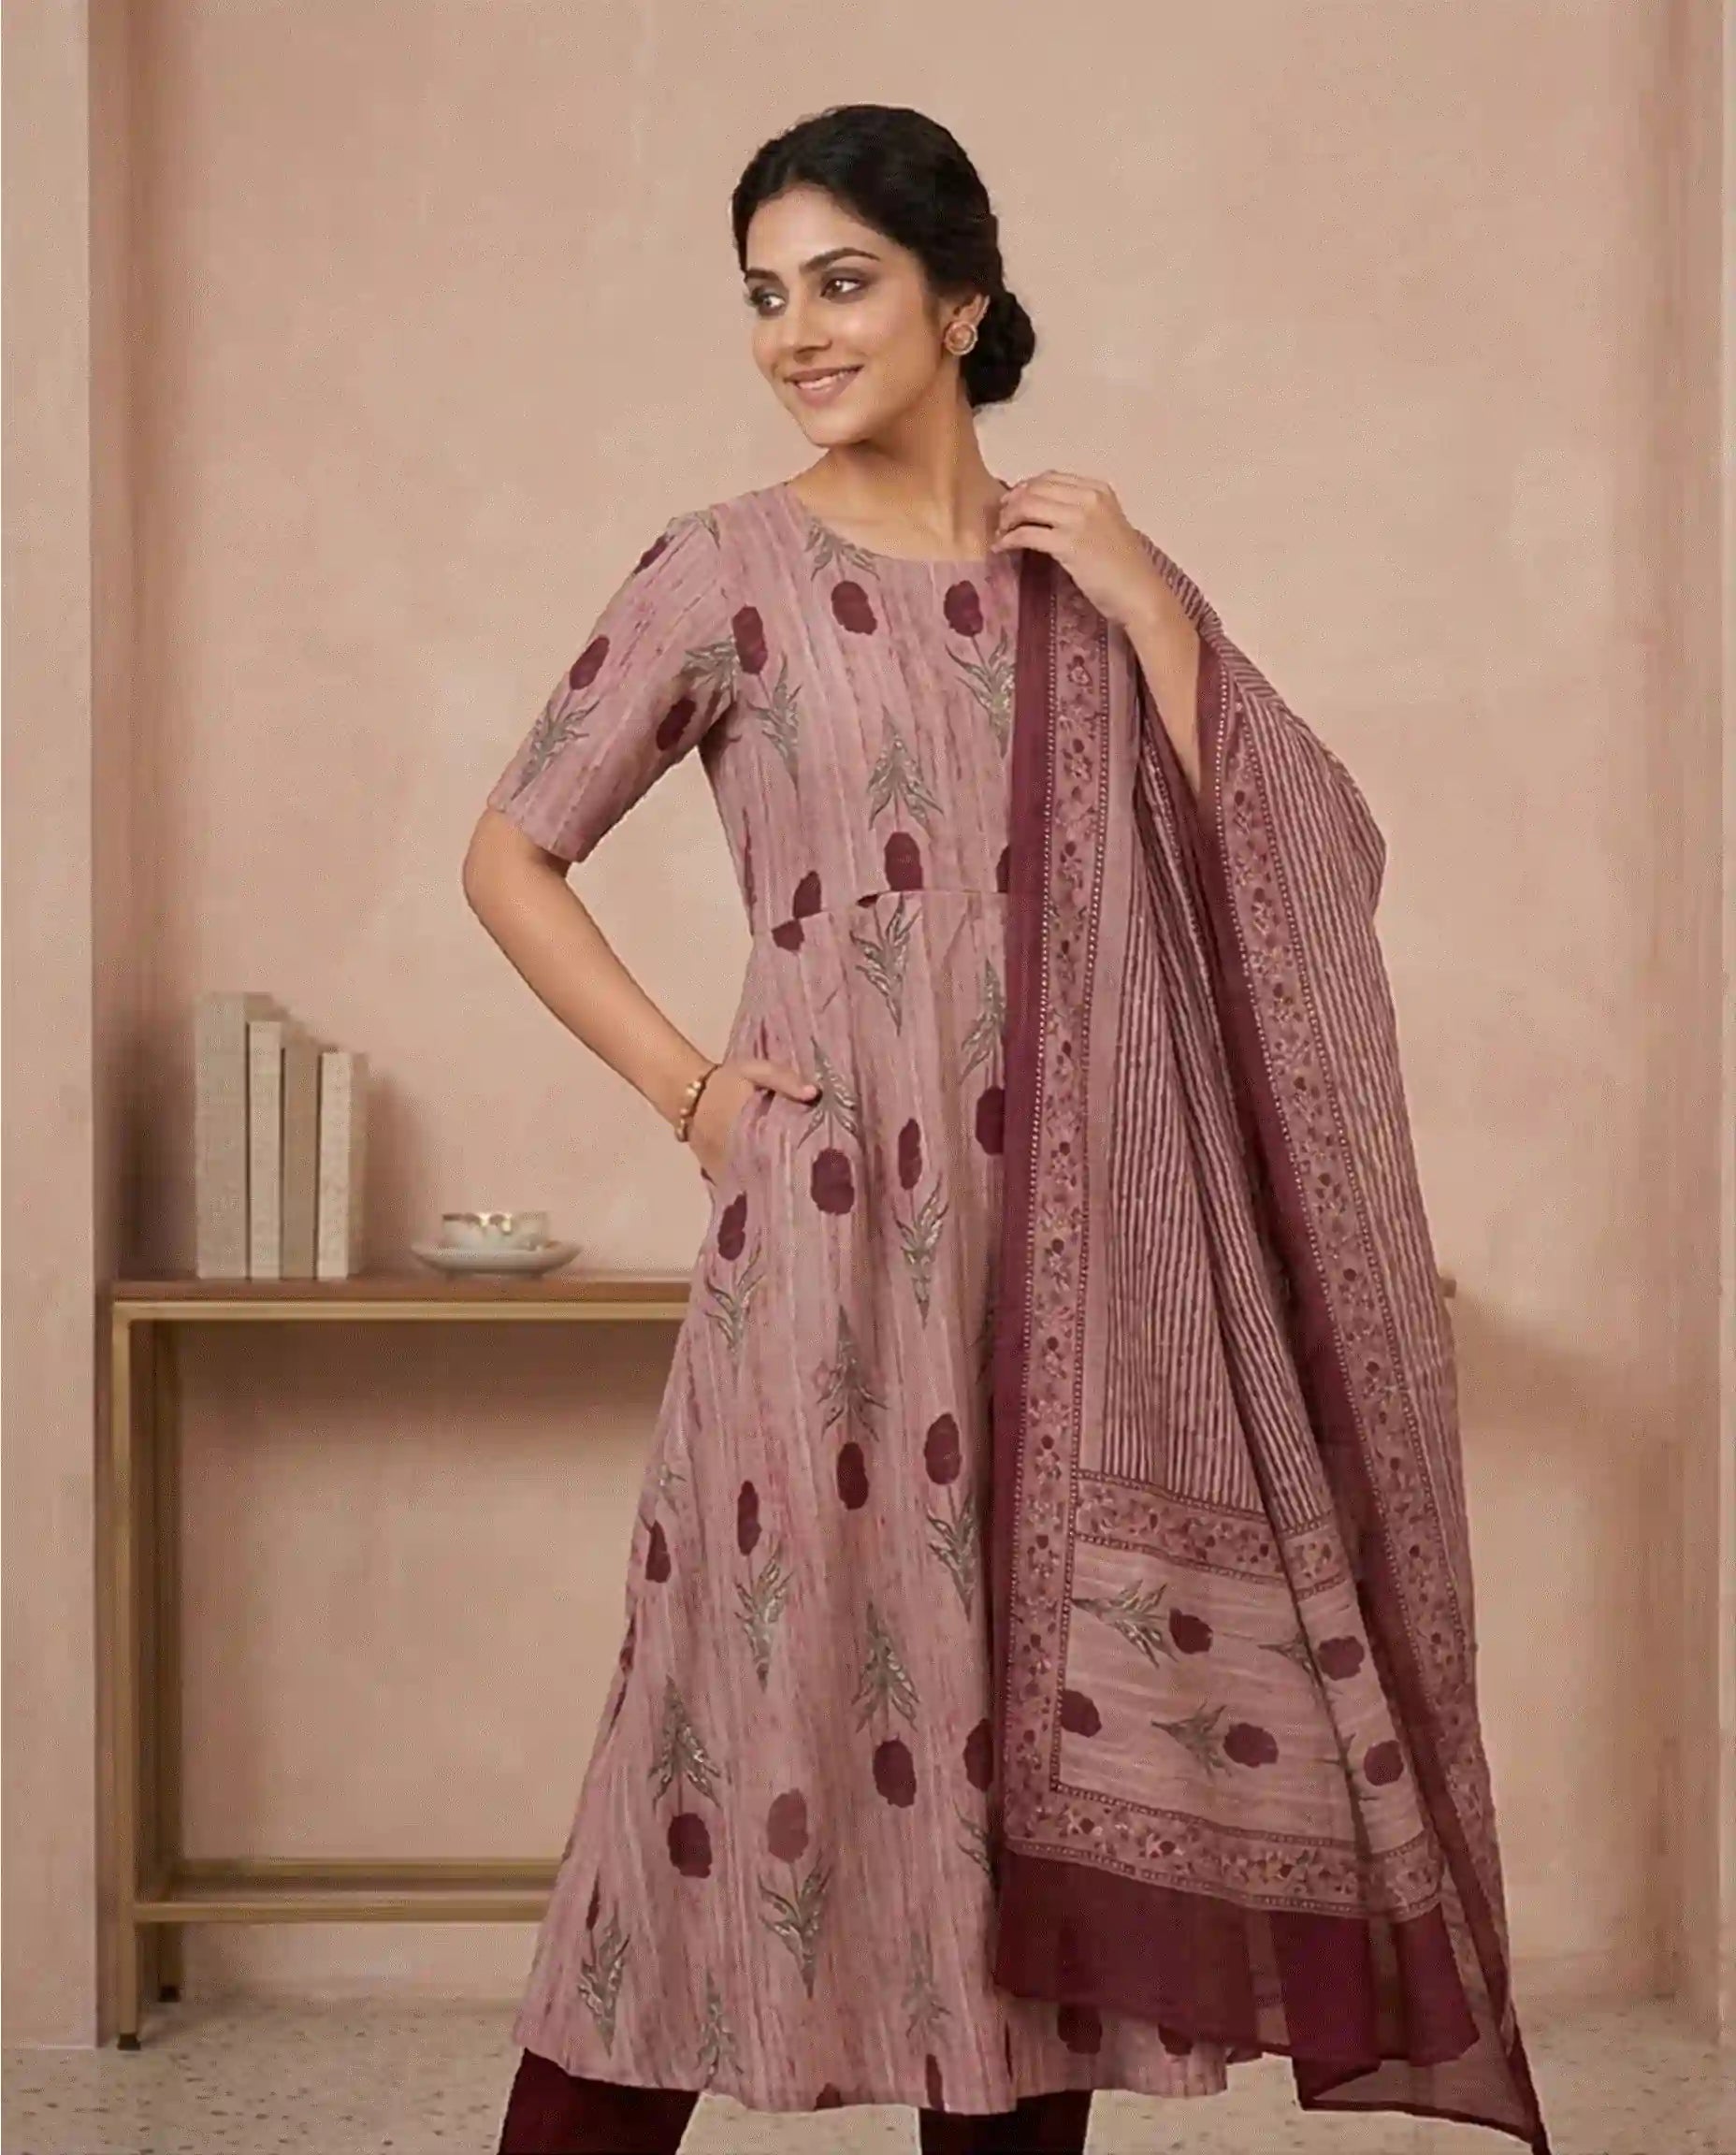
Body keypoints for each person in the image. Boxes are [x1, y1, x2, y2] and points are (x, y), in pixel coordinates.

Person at [466, 100, 1551, 2155]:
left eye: (843, 282)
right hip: (824, 1254)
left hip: (1082, 1291)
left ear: (962, 303)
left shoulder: (1092, 577)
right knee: (708, 1752)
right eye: (766, 296)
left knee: (1022, 1805)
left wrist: (1158, 612)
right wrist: (690, 1088)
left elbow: (1310, 867)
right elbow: (509, 851)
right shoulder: (725, 569)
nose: (797, 332)